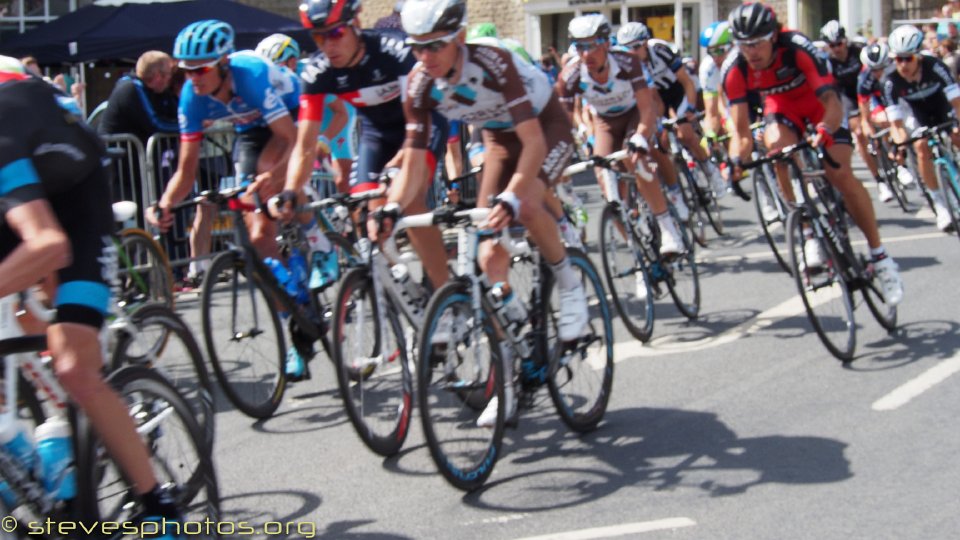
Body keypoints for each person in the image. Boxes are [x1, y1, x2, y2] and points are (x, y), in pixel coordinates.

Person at [0, 56, 182, 536]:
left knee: (76, 368)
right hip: (22, 195)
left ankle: (158, 506)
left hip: (76, 200)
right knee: (17, 317)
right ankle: (59, 428)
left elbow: (48, 243)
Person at [397, 0, 590, 426]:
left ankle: (571, 284)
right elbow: (413, 157)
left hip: (546, 128)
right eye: (417, 48)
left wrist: (513, 196)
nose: (425, 57)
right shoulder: (418, 83)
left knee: (526, 203)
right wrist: (394, 206)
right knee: (487, 254)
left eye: (435, 46)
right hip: (500, 143)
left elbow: (536, 142)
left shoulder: (493, 62)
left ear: (459, 38)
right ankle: (511, 355)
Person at [274, 0, 451, 377]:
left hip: (420, 126)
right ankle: (401, 285)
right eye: (318, 37)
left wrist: (401, 163)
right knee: (363, 210)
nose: (328, 45)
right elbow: (305, 144)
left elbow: (416, 120)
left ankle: (443, 291)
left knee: (409, 198)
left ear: (356, 24)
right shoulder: (317, 71)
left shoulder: (394, 51)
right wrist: (292, 189)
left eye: (335, 33)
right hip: (374, 133)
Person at [722, 2, 903, 305]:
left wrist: (825, 131)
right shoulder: (735, 69)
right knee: (776, 147)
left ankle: (881, 258)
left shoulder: (798, 48)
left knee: (840, 174)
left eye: (756, 43)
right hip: (782, 109)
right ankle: (805, 227)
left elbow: (832, 102)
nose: (750, 51)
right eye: (743, 44)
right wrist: (735, 162)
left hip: (820, 104)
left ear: (774, 36)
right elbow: (740, 133)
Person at [147, 20, 300, 287]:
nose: (194, 78)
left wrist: (274, 176)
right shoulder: (190, 99)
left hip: (293, 112)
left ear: (223, 64)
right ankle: (290, 305)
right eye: (187, 70)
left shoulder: (250, 77)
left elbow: (292, 139)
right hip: (251, 128)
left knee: (274, 174)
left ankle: (317, 242)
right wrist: (165, 203)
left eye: (202, 69)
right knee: (258, 234)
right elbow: (186, 170)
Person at [556, 14, 683, 262]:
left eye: (591, 45)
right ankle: (637, 251)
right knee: (605, 178)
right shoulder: (570, 75)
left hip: (634, 114)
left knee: (636, 161)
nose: (585, 55)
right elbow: (561, 123)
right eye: (579, 47)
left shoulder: (628, 62)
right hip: (605, 122)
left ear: (606, 43)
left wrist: (641, 138)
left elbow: (648, 109)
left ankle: (668, 229)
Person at [617, 21, 727, 199]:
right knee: (660, 144)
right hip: (655, 99)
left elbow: (687, 83)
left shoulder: (660, 50)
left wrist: (690, 109)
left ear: (645, 42)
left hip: (678, 92)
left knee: (685, 133)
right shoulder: (626, 64)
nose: (631, 53)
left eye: (636, 47)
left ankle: (710, 170)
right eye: (626, 49)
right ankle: (673, 185)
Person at [884, 23, 960, 233]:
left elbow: (956, 101)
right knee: (921, 146)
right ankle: (940, 203)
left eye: (908, 58)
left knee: (957, 134)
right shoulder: (890, 81)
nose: (903, 64)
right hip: (917, 112)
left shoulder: (935, 66)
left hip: (941, 103)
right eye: (898, 59)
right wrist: (899, 145)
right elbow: (896, 125)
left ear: (919, 55)